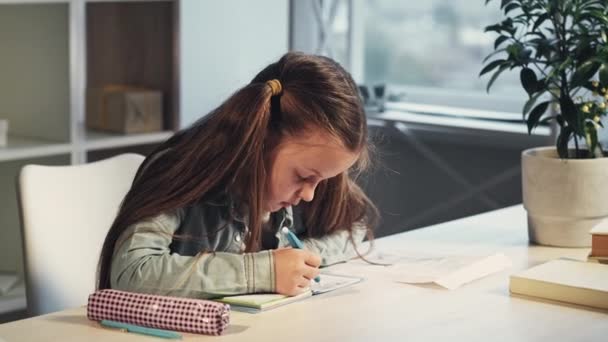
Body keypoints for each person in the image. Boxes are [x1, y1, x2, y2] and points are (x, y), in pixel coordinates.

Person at [97, 52, 378, 298]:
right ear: (260, 140)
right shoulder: (181, 170)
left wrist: (301, 258)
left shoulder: (314, 166)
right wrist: (263, 270)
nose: (309, 194)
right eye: (303, 177)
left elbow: (354, 223)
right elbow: (132, 272)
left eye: (322, 180)